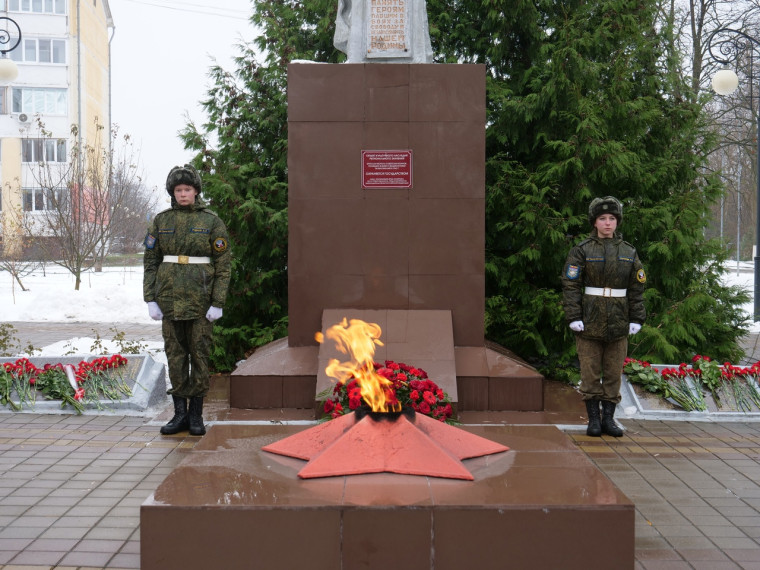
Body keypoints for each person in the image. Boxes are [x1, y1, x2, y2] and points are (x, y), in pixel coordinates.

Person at [143, 164, 231, 436]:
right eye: (178, 190)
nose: (183, 194)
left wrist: (217, 302)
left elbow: (223, 265)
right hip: (169, 301)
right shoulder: (161, 221)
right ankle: (179, 414)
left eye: (188, 189)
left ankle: (196, 415)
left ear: (196, 191)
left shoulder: (211, 222)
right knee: (175, 356)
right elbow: (150, 261)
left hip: (200, 302)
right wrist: (150, 299)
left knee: (200, 356)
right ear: (173, 192)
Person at [561, 196, 646, 437]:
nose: (607, 223)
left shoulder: (629, 252)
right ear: (594, 222)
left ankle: (609, 419)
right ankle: (594, 420)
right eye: (602, 218)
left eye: (612, 218)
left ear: (617, 222)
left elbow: (637, 288)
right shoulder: (582, 250)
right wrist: (573, 316)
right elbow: (570, 284)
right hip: (589, 322)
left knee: (612, 373)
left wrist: (636, 318)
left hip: (619, 323)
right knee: (589, 373)